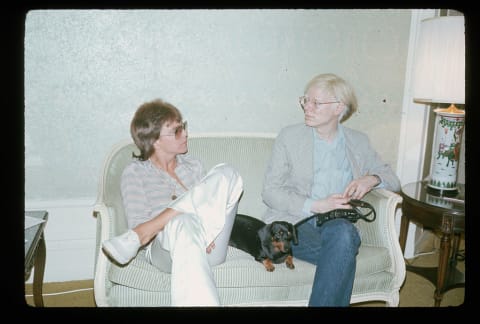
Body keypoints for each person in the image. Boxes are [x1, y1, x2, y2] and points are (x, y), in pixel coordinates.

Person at [261, 73, 401, 307]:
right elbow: (270, 191)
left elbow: (393, 179)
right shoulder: (290, 137)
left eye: (316, 102)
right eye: (305, 100)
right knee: (343, 250)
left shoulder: (358, 141)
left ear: (338, 108)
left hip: (336, 225)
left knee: (344, 235)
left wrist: (371, 179)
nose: (307, 107)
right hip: (295, 225)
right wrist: (316, 205)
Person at [101, 99, 243, 306]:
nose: (185, 134)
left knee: (227, 172)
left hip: (212, 243)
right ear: (155, 140)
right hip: (164, 249)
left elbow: (213, 206)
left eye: (183, 127)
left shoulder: (194, 166)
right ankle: (149, 231)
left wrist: (209, 228)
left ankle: (142, 233)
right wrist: (193, 224)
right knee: (182, 222)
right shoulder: (136, 172)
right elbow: (137, 219)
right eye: (176, 131)